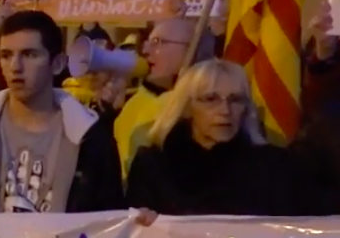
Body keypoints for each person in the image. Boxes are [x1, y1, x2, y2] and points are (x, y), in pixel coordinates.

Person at [0, 10, 124, 215]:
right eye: (6, 55)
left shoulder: (92, 139)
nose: (15, 67)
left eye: (29, 54)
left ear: (57, 64)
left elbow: (111, 219)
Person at [128, 59, 331, 218]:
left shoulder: (274, 167)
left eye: (235, 100)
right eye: (210, 99)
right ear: (187, 107)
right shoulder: (152, 166)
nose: (225, 111)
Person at [114, 16, 214, 179]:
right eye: (148, 42)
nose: (145, 50)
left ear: (191, 50)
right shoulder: (134, 101)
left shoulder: (206, 107)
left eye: (158, 42)